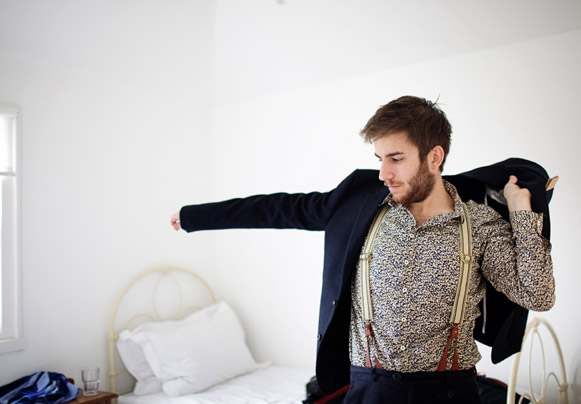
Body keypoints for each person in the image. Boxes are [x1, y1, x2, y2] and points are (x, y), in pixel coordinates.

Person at [170, 96, 555, 404]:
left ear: (434, 157)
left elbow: (538, 295)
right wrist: (195, 217)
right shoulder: (361, 206)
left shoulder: (481, 224)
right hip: (368, 388)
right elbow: (283, 207)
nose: (383, 173)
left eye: (396, 158)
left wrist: (521, 212)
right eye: (379, 159)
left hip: (451, 391)